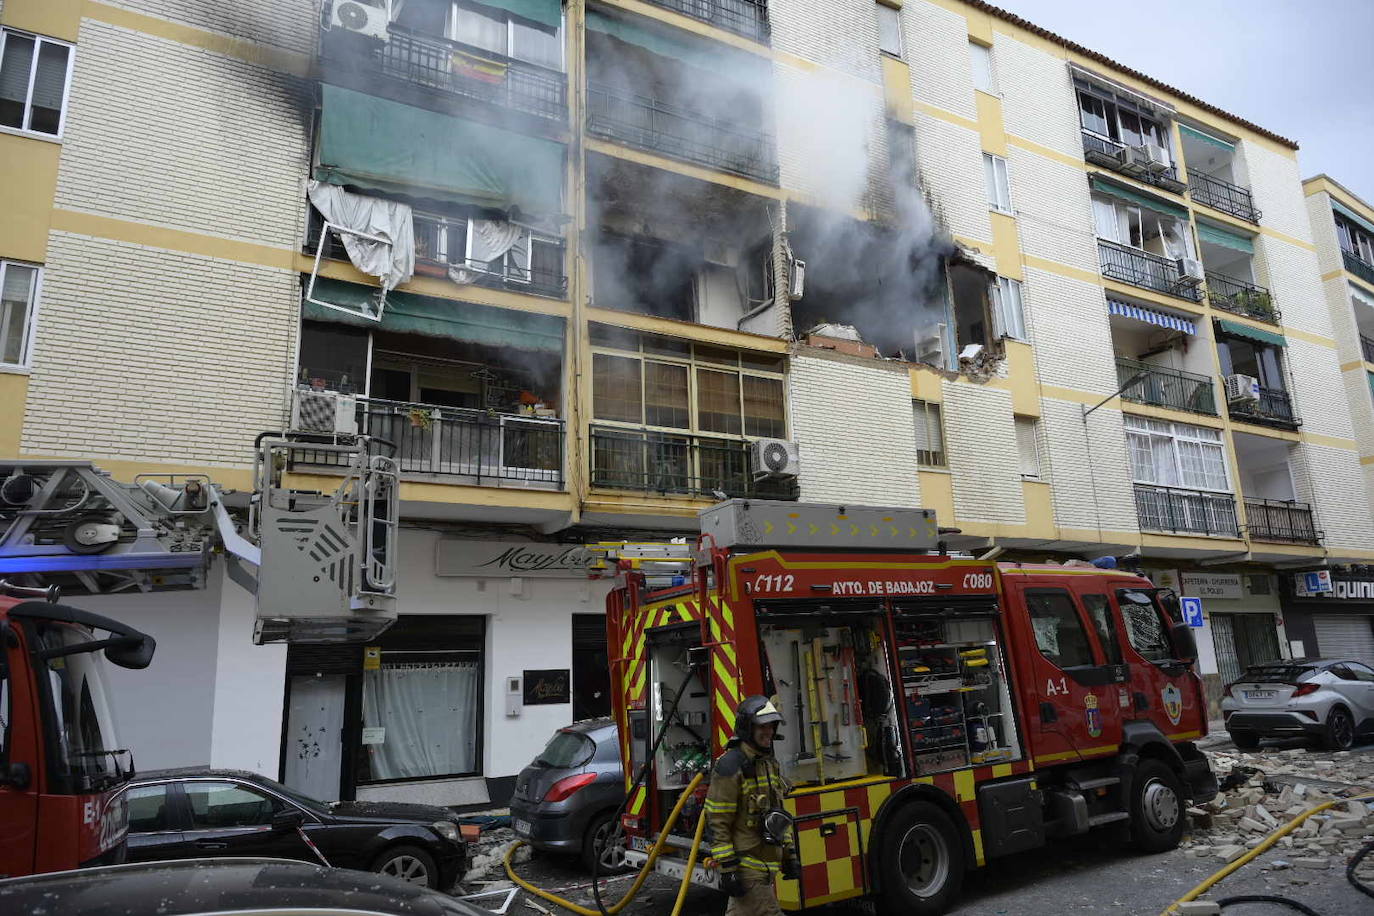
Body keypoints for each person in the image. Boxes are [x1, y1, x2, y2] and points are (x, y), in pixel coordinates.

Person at [703, 695, 799, 916]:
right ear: (748, 728)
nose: (769, 732)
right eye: (762, 726)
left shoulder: (768, 763)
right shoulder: (730, 765)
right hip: (748, 869)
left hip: (766, 866)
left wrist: (789, 855)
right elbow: (717, 822)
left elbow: (777, 815)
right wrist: (728, 869)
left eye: (772, 726)